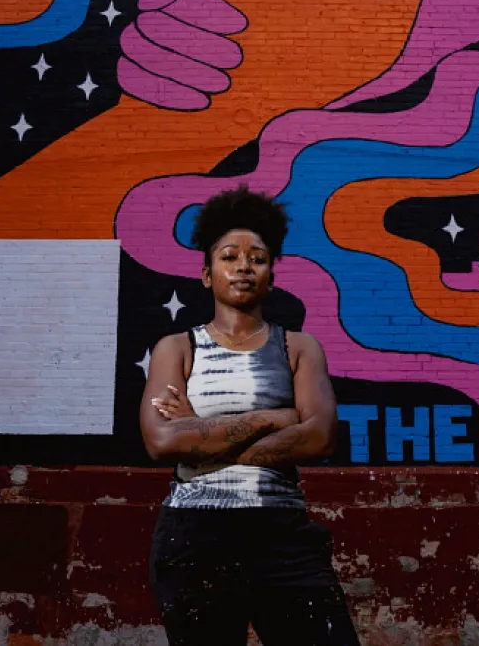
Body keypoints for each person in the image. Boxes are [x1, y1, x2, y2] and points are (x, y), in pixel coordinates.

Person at [140, 186, 360, 646]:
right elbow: (162, 442)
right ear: (206, 274)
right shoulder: (177, 349)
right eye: (229, 256)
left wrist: (200, 431)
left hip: (282, 533)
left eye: (257, 258)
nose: (244, 266)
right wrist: (277, 418)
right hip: (194, 536)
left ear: (271, 277)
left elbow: (320, 437)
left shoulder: (298, 347)